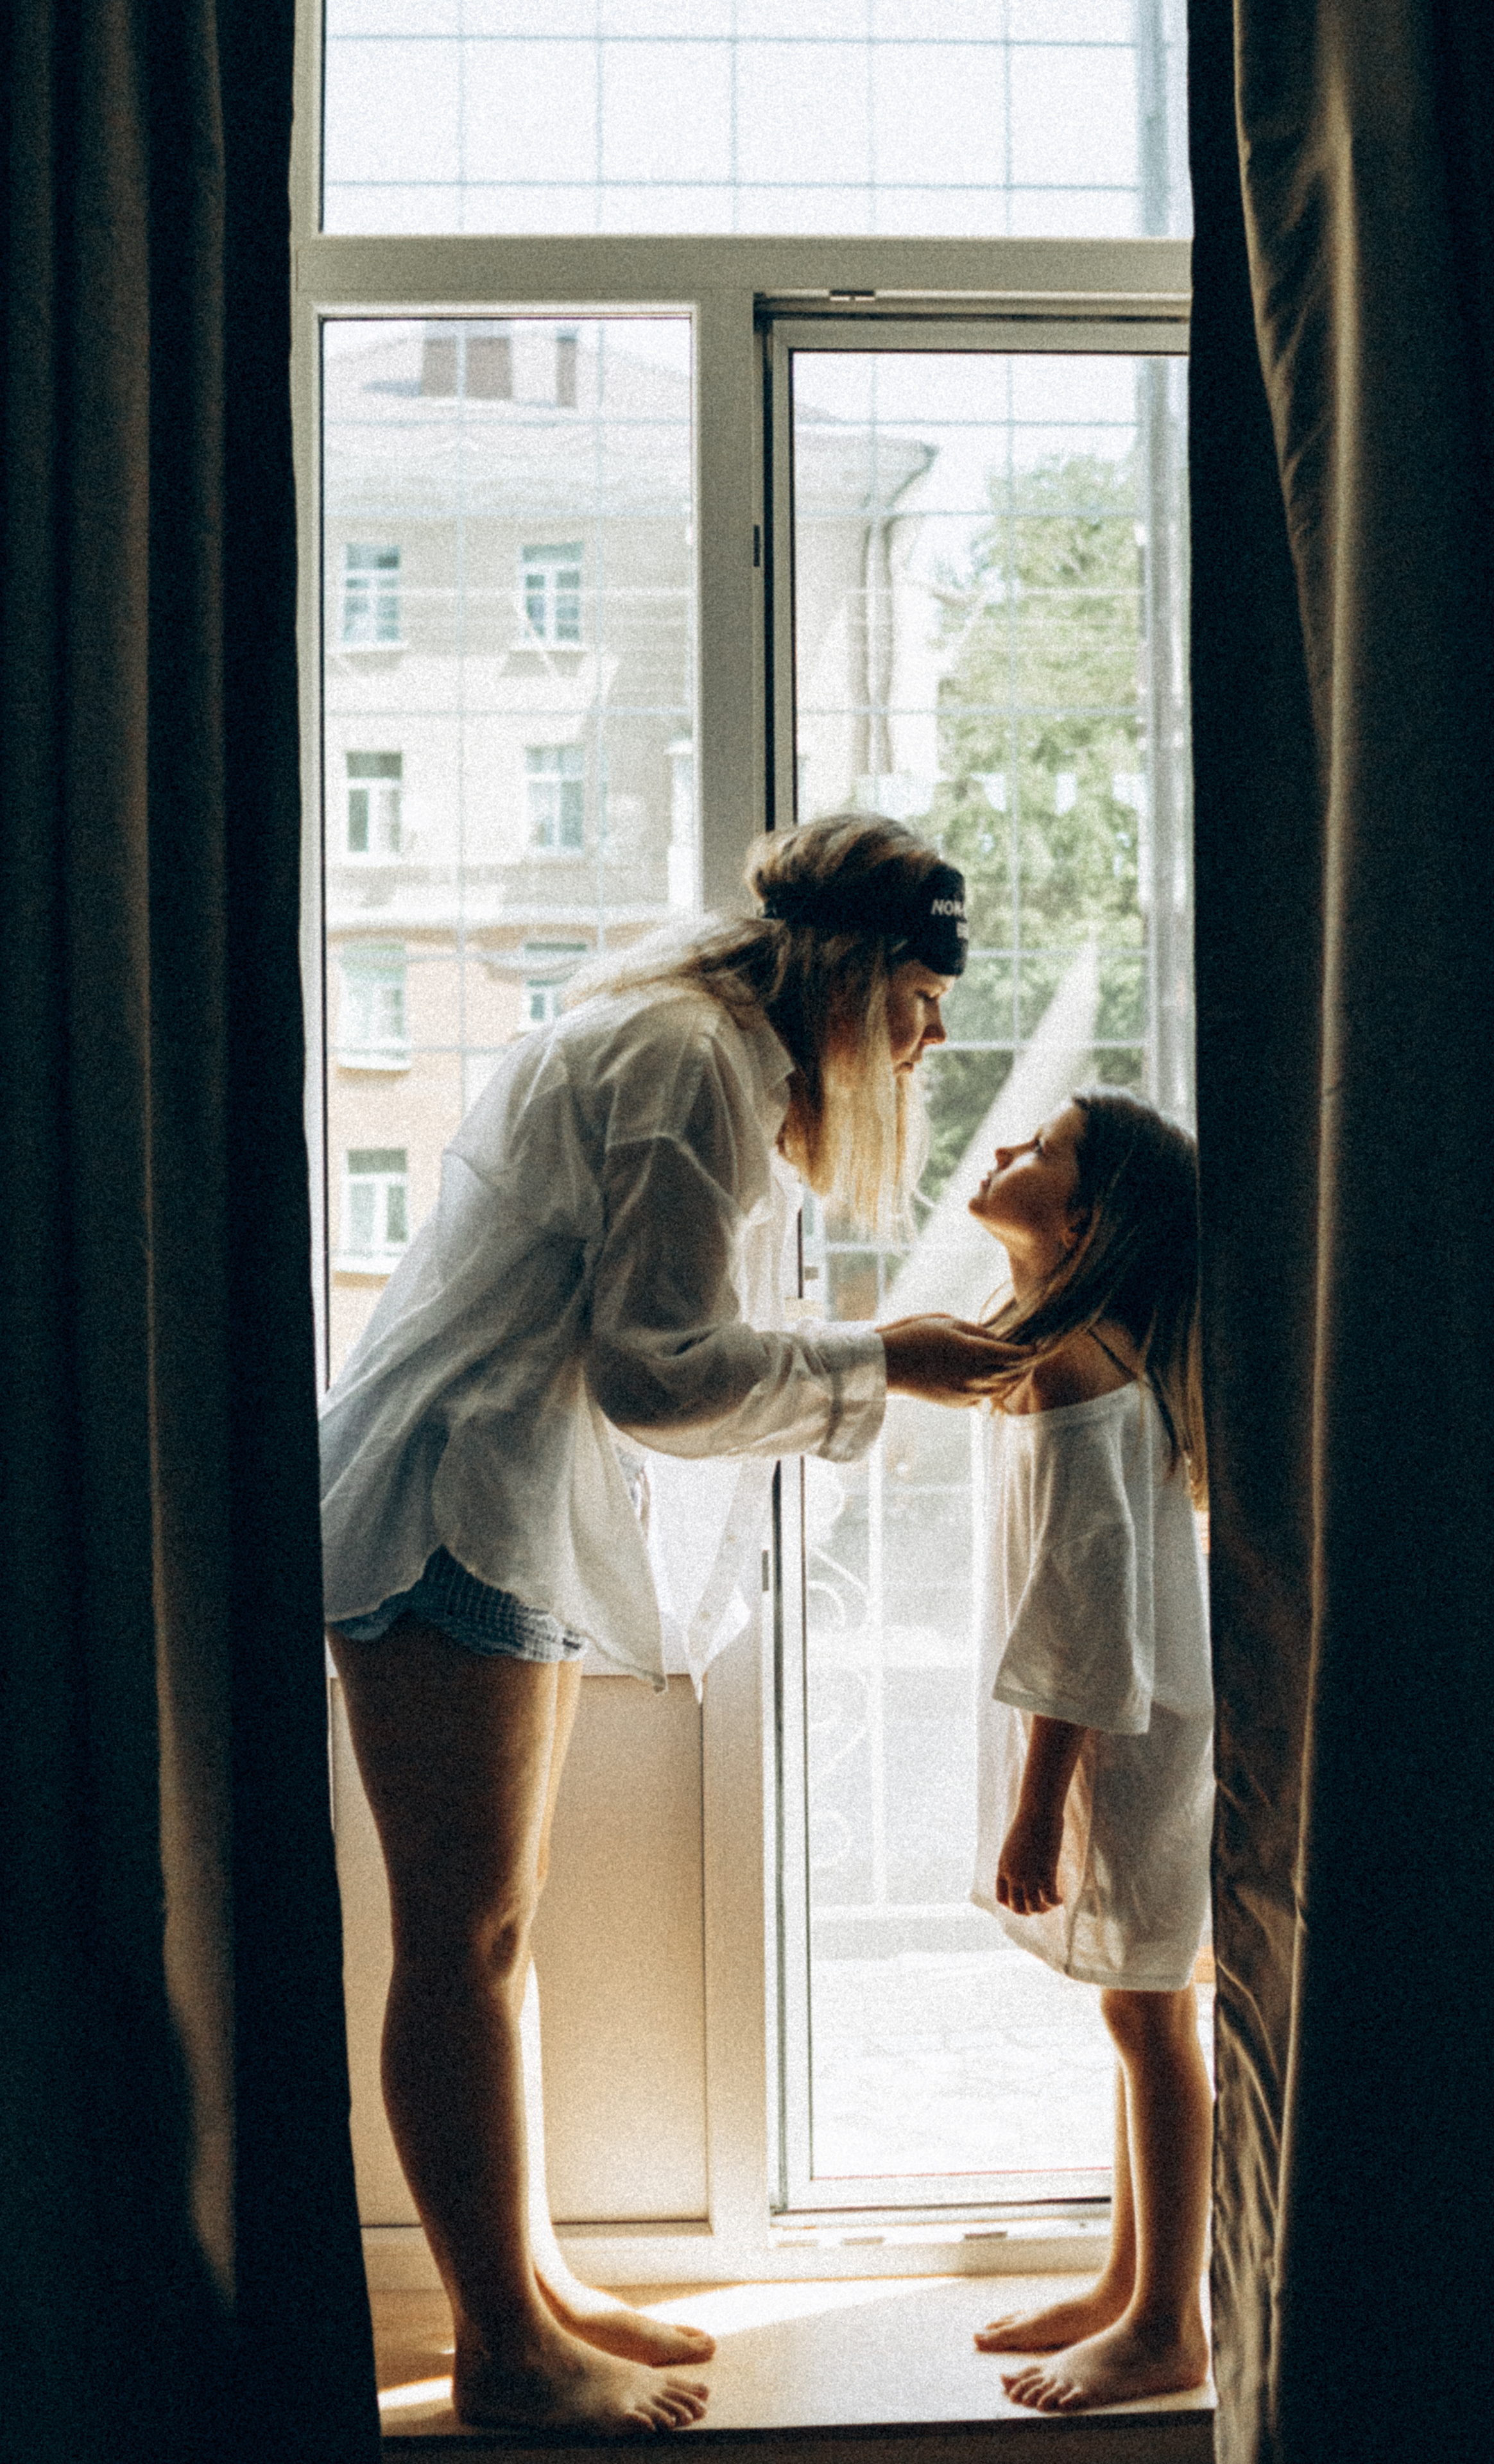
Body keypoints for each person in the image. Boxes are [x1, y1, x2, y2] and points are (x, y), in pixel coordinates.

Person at [320, 813, 1019, 2436]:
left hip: (491, 1492)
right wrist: (880, 1361)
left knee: (495, 1928)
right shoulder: (693, 1062)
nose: (931, 1039)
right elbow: (655, 1370)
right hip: (450, 1494)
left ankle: (530, 2280)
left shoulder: (682, 1039)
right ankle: (502, 2344)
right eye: (920, 1000)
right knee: (463, 1934)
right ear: (853, 976)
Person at [960, 1090, 1214, 2410]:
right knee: (1140, 2006)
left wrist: (1032, 1804)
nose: (1004, 1148)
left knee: (1146, 2013)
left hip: (1126, 1738)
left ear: (1084, 1215)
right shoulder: (1081, 1349)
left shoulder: (1076, 1367)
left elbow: (1079, 1604)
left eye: (1040, 1147)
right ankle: (1127, 2286)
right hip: (1136, 1723)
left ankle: (1165, 2322)